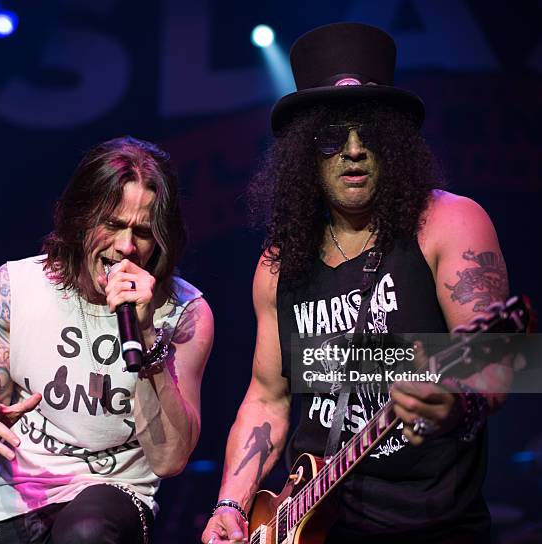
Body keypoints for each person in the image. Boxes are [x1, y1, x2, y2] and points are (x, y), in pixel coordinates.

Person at [202, 23, 511, 544]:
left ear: (392, 143)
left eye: (368, 133)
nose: (352, 150)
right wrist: (231, 505)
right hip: (313, 519)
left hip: (434, 524)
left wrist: (457, 399)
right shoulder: (279, 263)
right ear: (305, 152)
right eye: (331, 136)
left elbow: (502, 358)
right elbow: (268, 397)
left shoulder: (447, 222)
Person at [0, 136, 214, 543]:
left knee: (85, 533)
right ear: (80, 218)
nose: (126, 247)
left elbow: (169, 460)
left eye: (143, 232)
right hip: (15, 500)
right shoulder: (14, 287)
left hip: (114, 496)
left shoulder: (186, 314)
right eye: (112, 225)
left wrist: (147, 334)